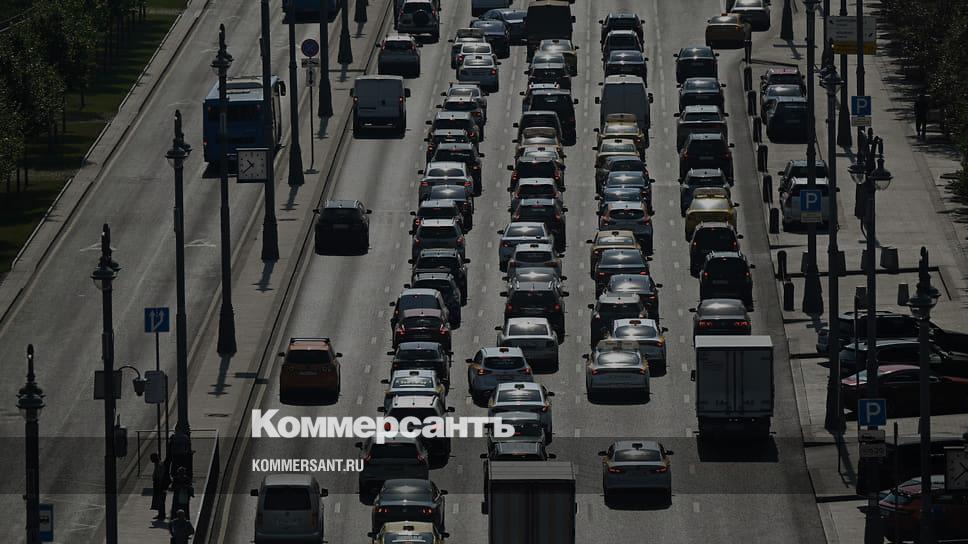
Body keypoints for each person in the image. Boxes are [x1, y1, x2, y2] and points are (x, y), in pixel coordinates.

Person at [150, 453, 169, 521]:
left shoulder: (160, 465)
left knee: (161, 500)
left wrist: (160, 485)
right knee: (158, 499)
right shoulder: (157, 464)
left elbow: (161, 475)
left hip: (160, 484)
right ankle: (160, 513)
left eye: (151, 458)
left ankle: (162, 514)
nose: (151, 460)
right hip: (157, 484)